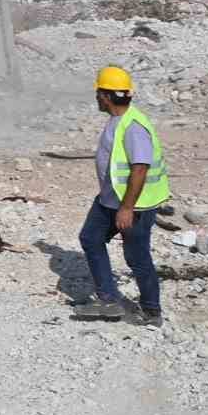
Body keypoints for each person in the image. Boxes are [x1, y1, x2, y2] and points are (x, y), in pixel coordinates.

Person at [73, 66, 170, 327]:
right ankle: (109, 300)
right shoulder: (118, 120)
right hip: (109, 200)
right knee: (91, 238)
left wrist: (127, 208)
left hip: (134, 205)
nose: (96, 98)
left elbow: (140, 168)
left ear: (106, 96)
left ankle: (152, 311)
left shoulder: (133, 126)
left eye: (98, 93)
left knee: (137, 257)